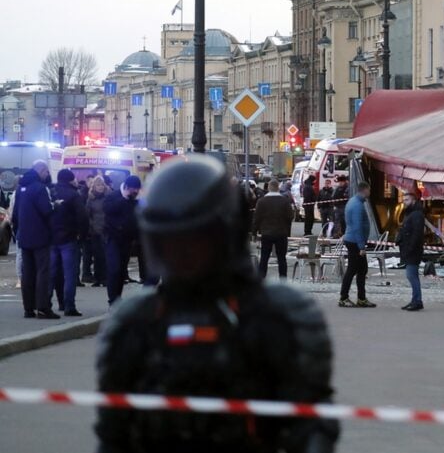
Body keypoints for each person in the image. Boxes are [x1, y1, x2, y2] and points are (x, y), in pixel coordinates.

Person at [95, 154, 339, 453]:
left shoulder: (280, 313)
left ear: (226, 236)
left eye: (194, 242)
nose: (181, 256)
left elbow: (312, 423)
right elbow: (113, 433)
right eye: (169, 244)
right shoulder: (134, 321)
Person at [11, 160, 58, 319]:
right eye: (46, 172)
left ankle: (28, 309)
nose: (47, 176)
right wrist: (55, 206)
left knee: (27, 273)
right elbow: (46, 211)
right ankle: (43, 308)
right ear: (42, 170)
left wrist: (19, 232)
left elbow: (15, 214)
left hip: (24, 237)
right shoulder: (40, 188)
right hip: (40, 237)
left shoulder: (20, 188)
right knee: (42, 272)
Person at [49, 169, 89, 316]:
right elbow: (83, 217)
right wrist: (82, 235)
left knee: (52, 273)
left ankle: (46, 304)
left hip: (52, 238)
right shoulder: (74, 195)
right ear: (70, 180)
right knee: (70, 274)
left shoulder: (51, 192)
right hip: (69, 238)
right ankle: (69, 306)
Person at [104, 175, 141, 305]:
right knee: (114, 269)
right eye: (133, 190)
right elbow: (108, 210)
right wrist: (124, 199)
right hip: (113, 239)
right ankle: (112, 300)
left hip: (127, 240)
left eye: (137, 190)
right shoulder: (113, 196)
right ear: (126, 187)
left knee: (121, 272)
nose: (135, 193)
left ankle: (117, 298)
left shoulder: (134, 200)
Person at [338, 182, 376, 308]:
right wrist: (361, 246)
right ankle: (344, 297)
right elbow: (357, 226)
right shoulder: (357, 206)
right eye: (369, 190)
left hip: (353, 239)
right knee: (352, 270)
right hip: (355, 241)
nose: (370, 193)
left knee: (362, 269)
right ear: (364, 190)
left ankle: (361, 298)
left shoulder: (353, 202)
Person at [253, 179, 294, 279]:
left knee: (264, 258)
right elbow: (290, 216)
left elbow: (257, 218)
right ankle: (283, 280)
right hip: (281, 233)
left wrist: (254, 232)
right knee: (281, 259)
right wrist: (286, 226)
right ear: (278, 188)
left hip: (266, 233)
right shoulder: (284, 201)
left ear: (268, 188)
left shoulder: (262, 201)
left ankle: (261, 280)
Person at [396, 193, 425, 311]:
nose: (404, 202)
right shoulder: (410, 214)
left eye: (407, 200)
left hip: (413, 250)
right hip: (409, 249)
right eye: (404, 200)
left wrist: (410, 248)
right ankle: (415, 300)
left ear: (413, 201)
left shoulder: (417, 214)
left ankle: (417, 301)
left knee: (411, 275)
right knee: (412, 276)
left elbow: (417, 234)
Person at [86, 176, 110, 287]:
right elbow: (88, 214)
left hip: (106, 230)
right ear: (94, 186)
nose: (100, 187)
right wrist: (90, 227)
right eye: (98, 185)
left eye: (101, 185)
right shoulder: (91, 199)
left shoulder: (108, 197)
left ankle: (105, 277)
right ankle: (97, 278)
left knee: (105, 255)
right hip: (94, 231)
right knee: (97, 256)